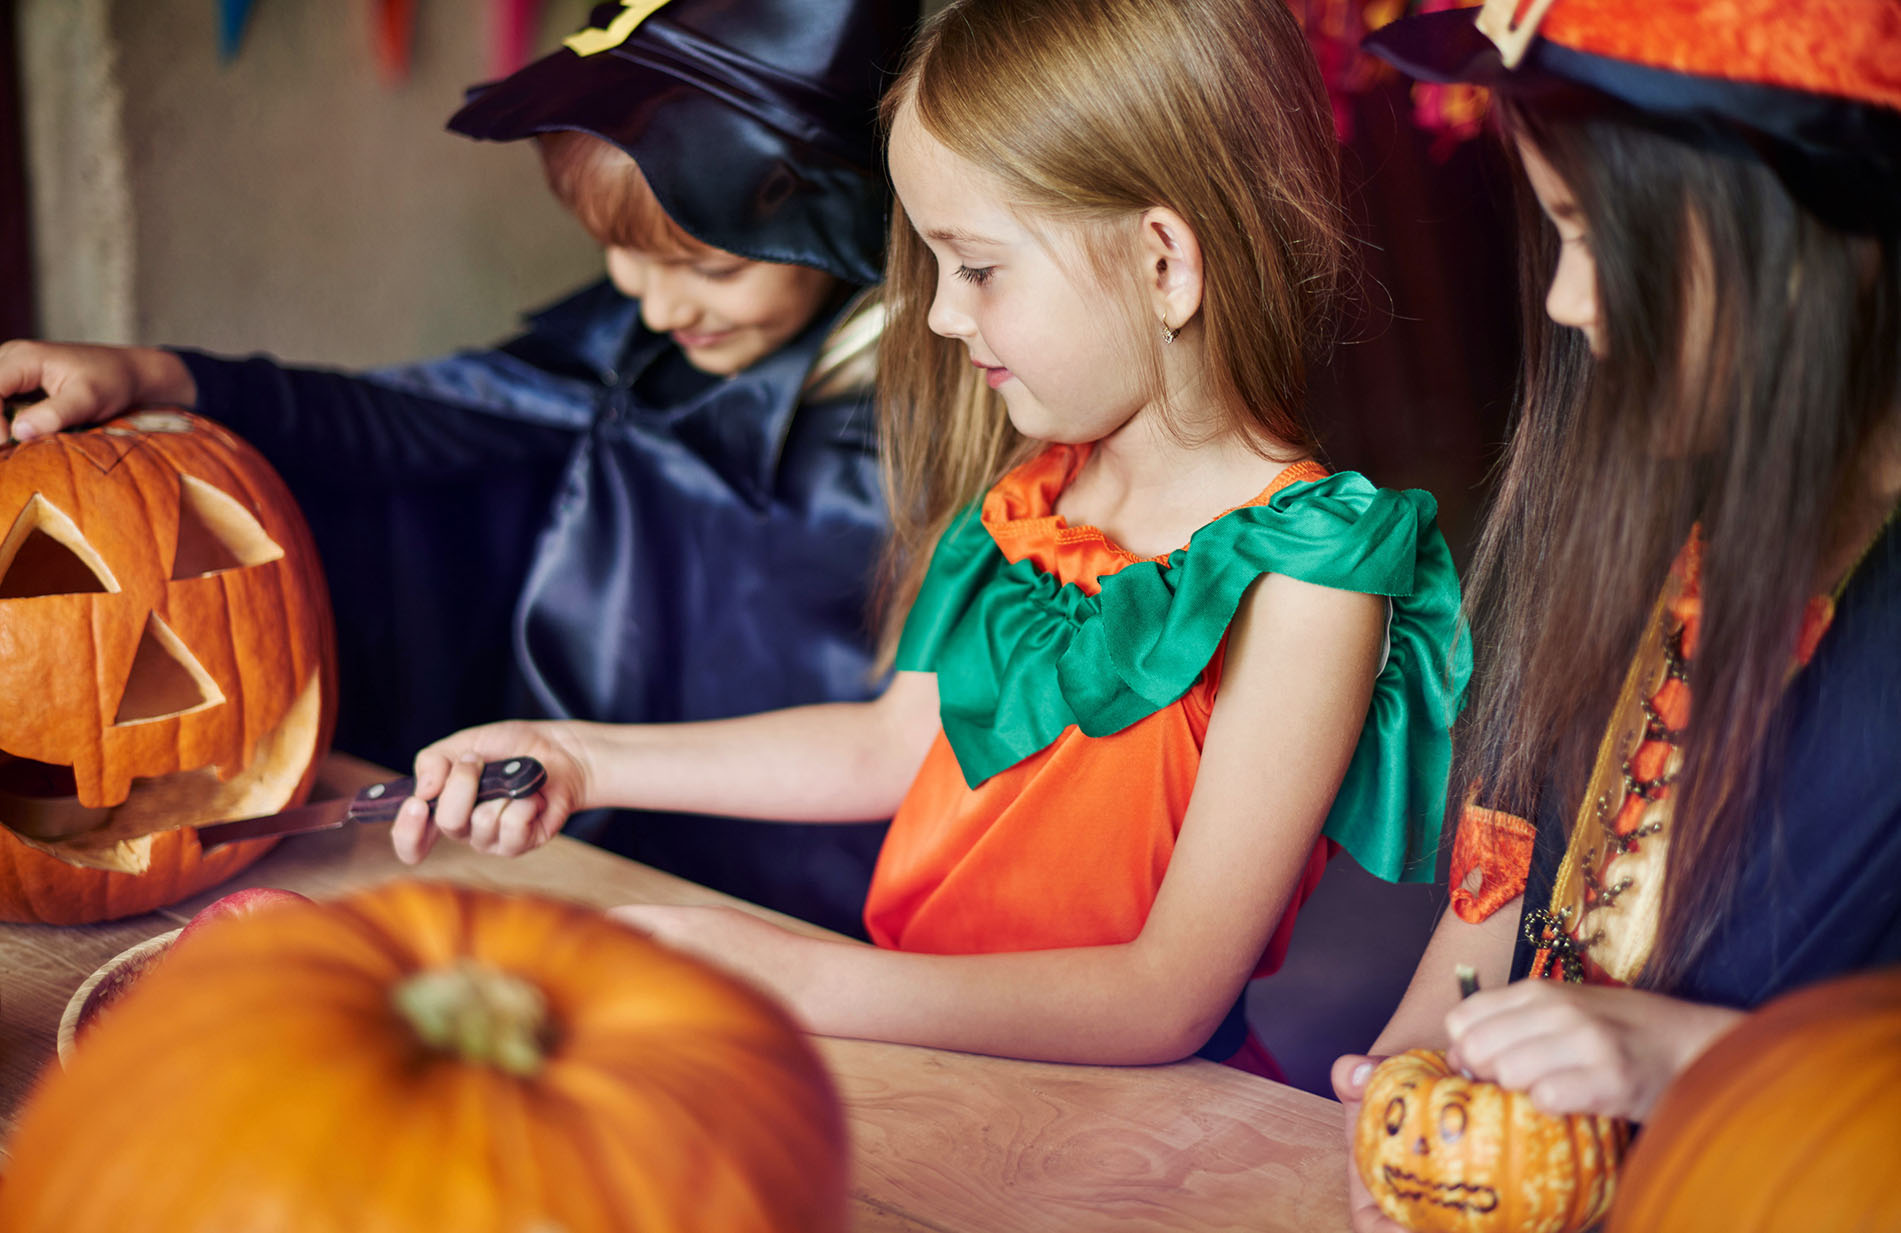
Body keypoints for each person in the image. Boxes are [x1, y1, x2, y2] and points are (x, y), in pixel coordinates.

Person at [395, 0, 1469, 1072]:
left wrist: (783, 971)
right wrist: (580, 758)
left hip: (1119, 1130)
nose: (941, 314)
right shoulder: (1032, 494)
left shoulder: (1310, 576)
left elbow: (1161, 1000)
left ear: (1161, 265)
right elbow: (887, 745)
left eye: (977, 267)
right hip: (915, 1063)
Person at [0, 0, 918, 936]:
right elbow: (401, 421)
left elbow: (907, 746)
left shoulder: (938, 437)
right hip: (573, 858)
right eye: (617, 254)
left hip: (812, 911)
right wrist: (162, 377)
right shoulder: (625, 351)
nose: (650, 304)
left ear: (846, 211)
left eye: (703, 265)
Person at [1336, 1, 1901, 1226]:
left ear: (1811, 244)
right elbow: (1492, 924)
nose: (1564, 302)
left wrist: (1689, 1057)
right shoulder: (1646, 524)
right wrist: (1410, 1085)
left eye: (1595, 240)